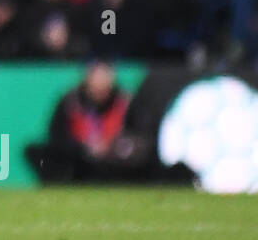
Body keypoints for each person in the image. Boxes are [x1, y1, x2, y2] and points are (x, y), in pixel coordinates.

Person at [24, 59, 192, 184]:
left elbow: (140, 135)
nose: (99, 86)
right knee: (37, 152)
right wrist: (84, 148)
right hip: (80, 157)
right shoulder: (70, 102)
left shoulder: (125, 102)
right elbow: (57, 135)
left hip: (115, 156)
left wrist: (112, 146)